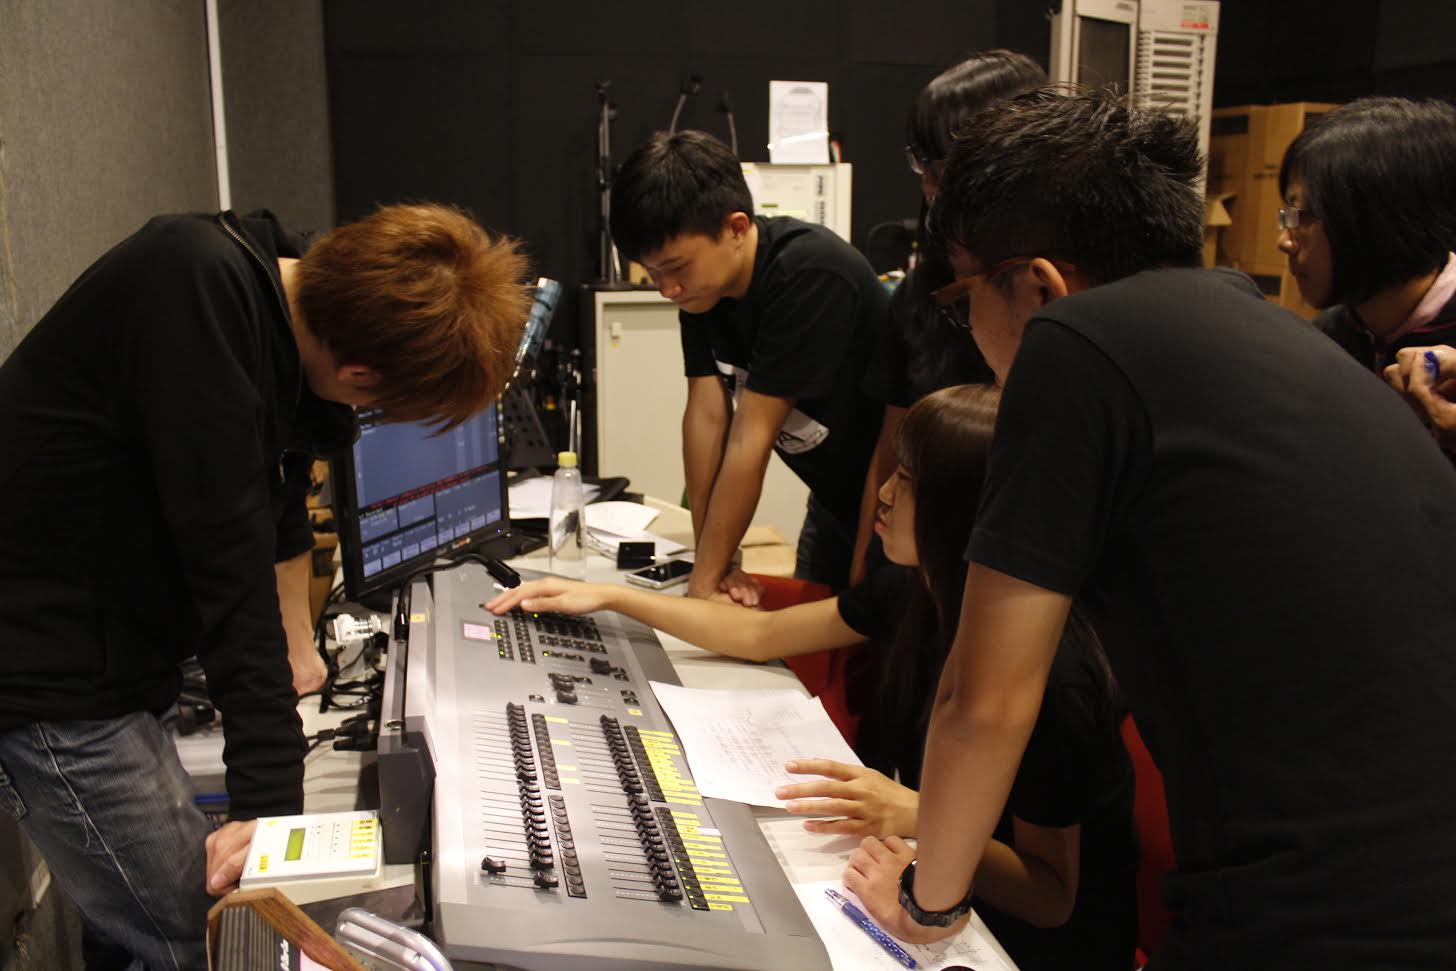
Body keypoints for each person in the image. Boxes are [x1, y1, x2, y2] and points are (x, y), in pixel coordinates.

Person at [842, 88, 1456, 970]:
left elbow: (985, 698)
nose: (964, 330)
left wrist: (924, 903)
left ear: (1039, 285)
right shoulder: (1270, 329)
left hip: (1321, 911)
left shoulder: (1071, 344)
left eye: (961, 296)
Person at [0, 203, 528, 969]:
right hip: (52, 670)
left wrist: (297, 647)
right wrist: (270, 814)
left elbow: (284, 485)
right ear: (358, 375)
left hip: (118, 643)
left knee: (143, 912)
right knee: (221, 932)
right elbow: (231, 572)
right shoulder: (194, 295)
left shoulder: (287, 291)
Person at [488, 384, 1136, 971]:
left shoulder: (1057, 680)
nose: (884, 493)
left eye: (908, 480)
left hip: (1022, 944)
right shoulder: (915, 586)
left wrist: (917, 812)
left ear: (966, 508)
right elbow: (762, 634)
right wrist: (611, 599)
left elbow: (1051, 895)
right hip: (932, 877)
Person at [610, 130, 887, 603]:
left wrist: (704, 585)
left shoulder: (809, 274)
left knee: (872, 626)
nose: (667, 289)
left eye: (676, 267)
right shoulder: (704, 293)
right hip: (832, 500)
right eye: (653, 272)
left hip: (892, 503)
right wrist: (717, 561)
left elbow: (749, 439)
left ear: (736, 228)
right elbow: (706, 418)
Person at [850, 50, 1044, 582]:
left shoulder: (1063, 306)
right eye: (922, 165)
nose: (928, 186)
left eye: (941, 168)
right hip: (919, 574)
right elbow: (891, 448)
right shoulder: (919, 295)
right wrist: (863, 574)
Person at [1277, 98, 1456, 401]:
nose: (1284, 241)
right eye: (1287, 215)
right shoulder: (1328, 337)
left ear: (1381, 220)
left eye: (1303, 216)